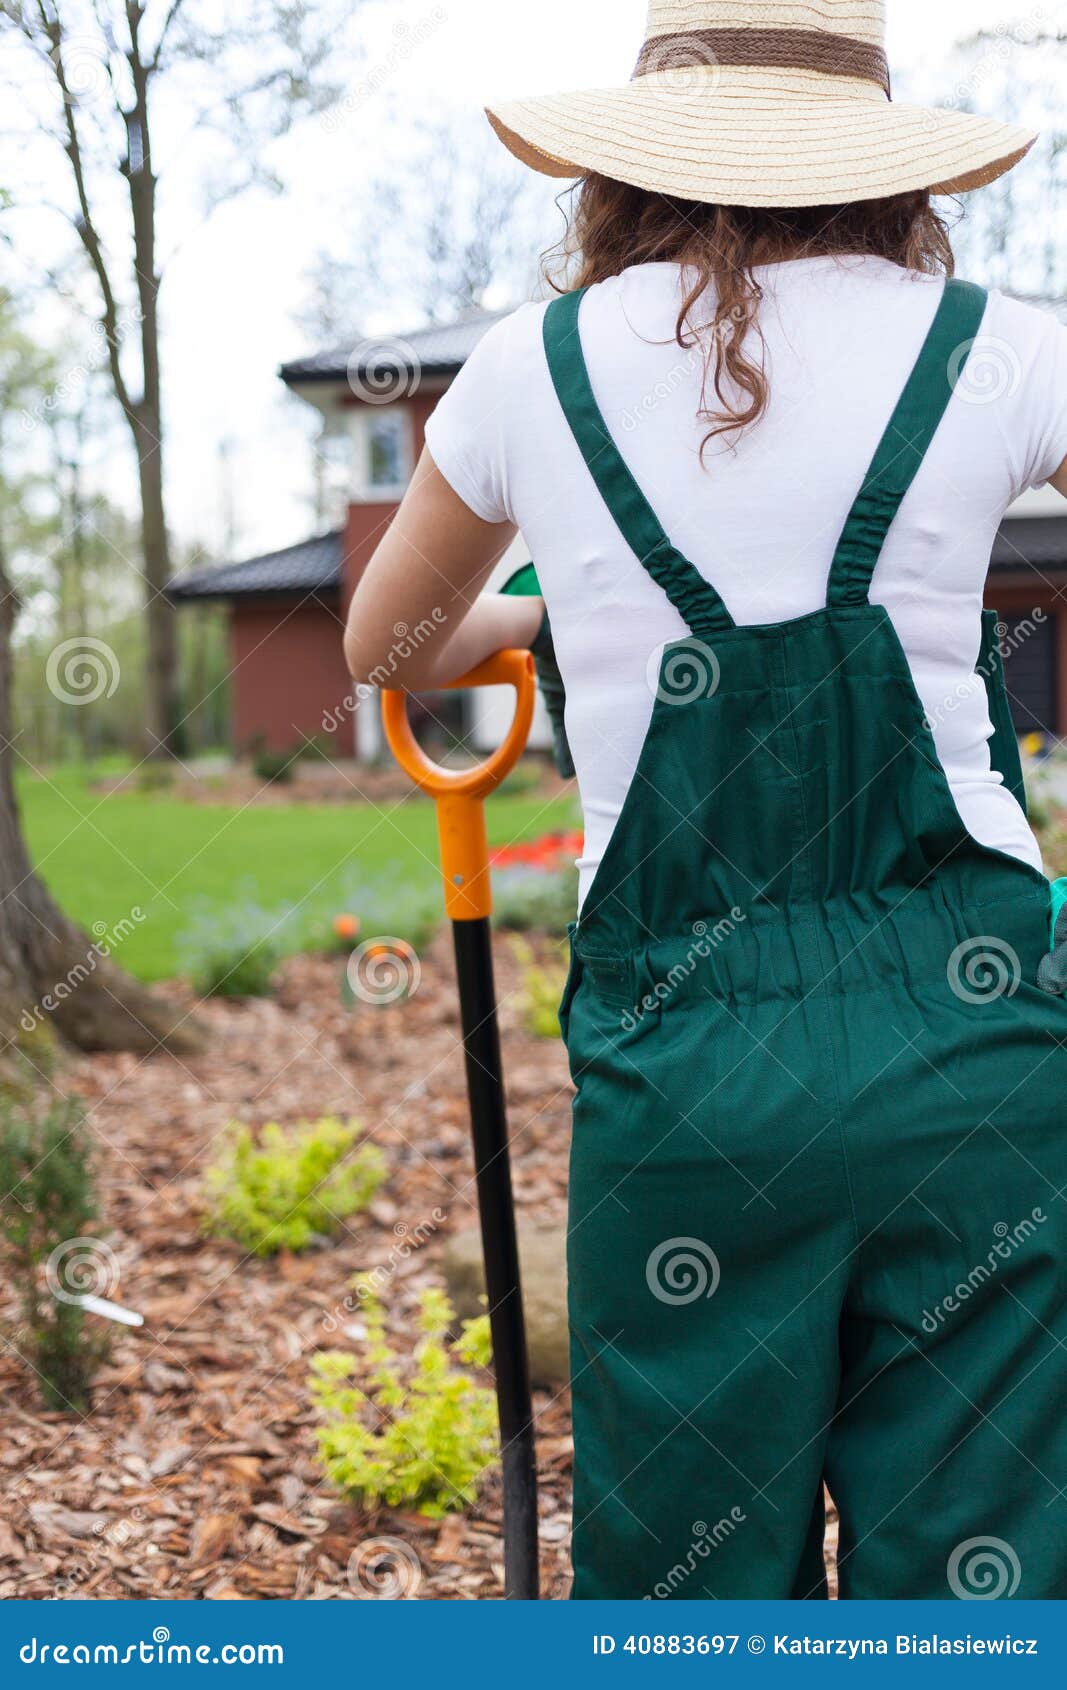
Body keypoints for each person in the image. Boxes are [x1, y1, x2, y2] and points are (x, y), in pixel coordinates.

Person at [344, 0, 1067, 1600]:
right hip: (976, 1030)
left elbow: (383, 642)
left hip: (690, 1058)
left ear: (633, 157)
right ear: (884, 157)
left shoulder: (534, 368)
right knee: (981, 1574)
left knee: (689, 1585)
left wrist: (556, 613)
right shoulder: (1005, 343)